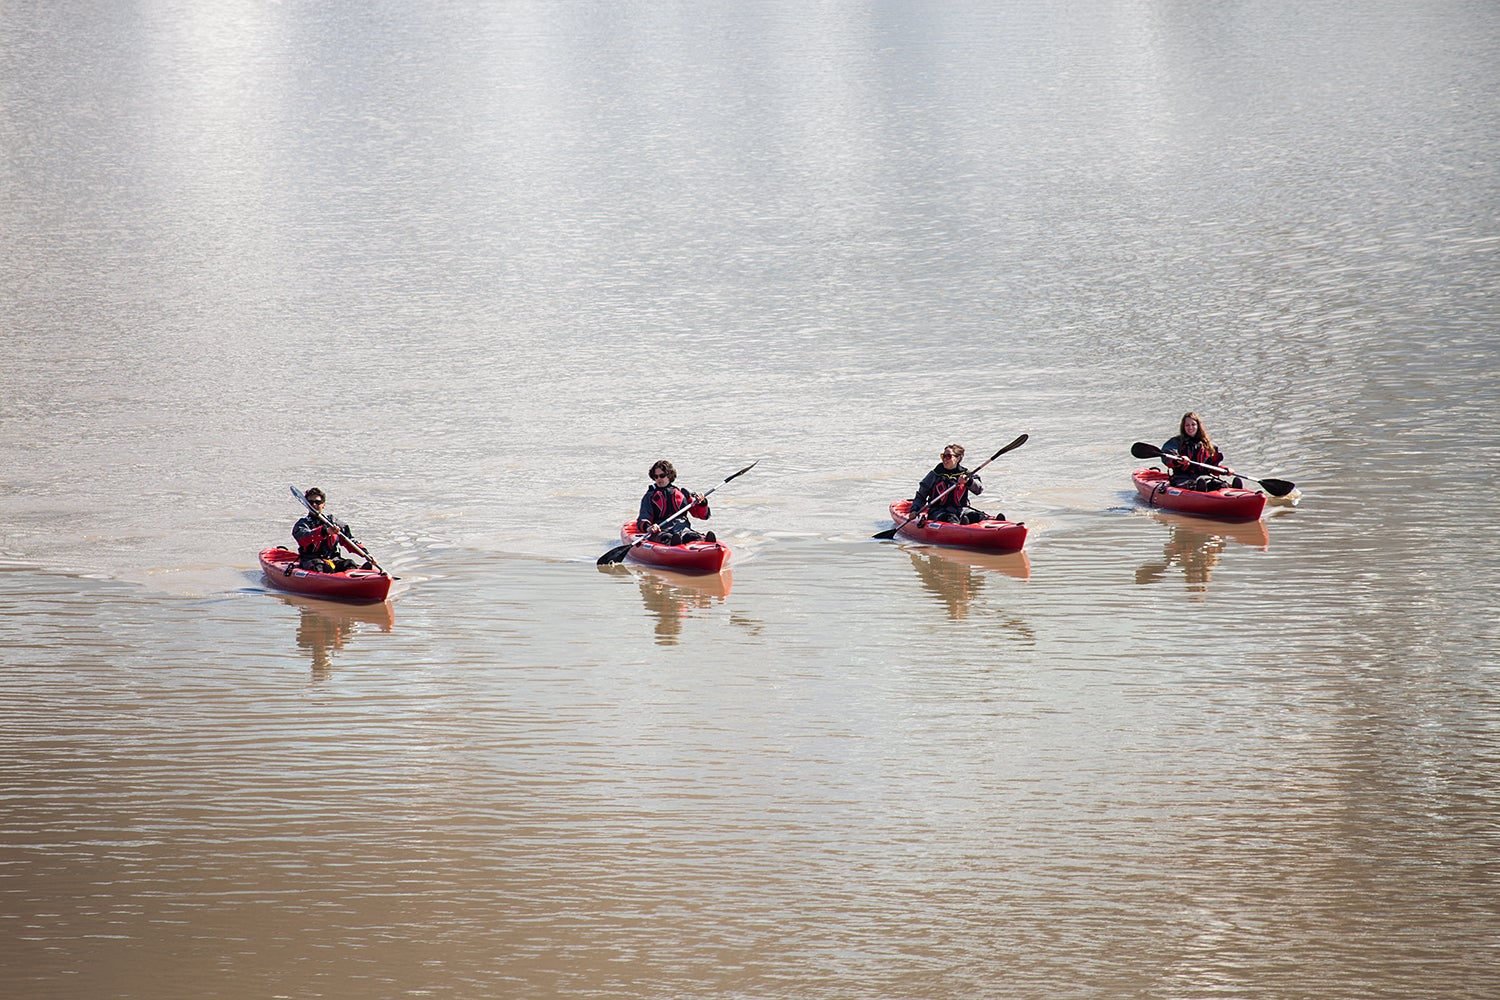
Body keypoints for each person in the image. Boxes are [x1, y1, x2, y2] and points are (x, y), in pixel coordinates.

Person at [911, 444, 996, 524]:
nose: (945, 459)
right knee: (950, 518)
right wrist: (914, 510)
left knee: (976, 516)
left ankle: (996, 525)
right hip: (938, 511)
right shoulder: (934, 475)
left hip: (961, 509)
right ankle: (961, 528)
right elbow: (921, 496)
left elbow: (979, 490)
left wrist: (968, 481)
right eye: (943, 456)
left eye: (948, 456)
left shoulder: (966, 474)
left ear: (958, 458)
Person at [637, 460, 716, 545]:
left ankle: (703, 542)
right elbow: (643, 517)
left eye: (662, 476)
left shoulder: (683, 493)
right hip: (661, 529)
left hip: (682, 528)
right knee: (667, 537)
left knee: (691, 536)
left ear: (669, 475)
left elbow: (702, 515)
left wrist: (702, 502)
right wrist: (648, 527)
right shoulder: (649, 496)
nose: (659, 479)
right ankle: (673, 543)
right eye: (656, 476)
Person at [1161, 412, 1243, 491]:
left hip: (1204, 477)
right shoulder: (1176, 442)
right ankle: (1199, 492)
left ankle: (1235, 491)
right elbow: (1168, 455)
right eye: (1187, 425)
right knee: (1193, 485)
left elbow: (1214, 466)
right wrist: (1179, 459)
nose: (1190, 428)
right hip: (1182, 477)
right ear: (1183, 427)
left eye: (1193, 425)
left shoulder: (1208, 445)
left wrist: (1225, 470)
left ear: (1198, 426)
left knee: (1221, 485)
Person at [293, 487, 368, 572]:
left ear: (324, 504)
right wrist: (325, 531)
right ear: (307, 505)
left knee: (350, 563)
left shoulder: (333, 521)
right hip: (310, 560)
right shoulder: (302, 523)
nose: (314, 505)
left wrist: (365, 553)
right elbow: (303, 538)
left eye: (318, 502)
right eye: (311, 502)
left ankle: (357, 581)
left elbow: (349, 540)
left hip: (333, 559)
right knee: (320, 567)